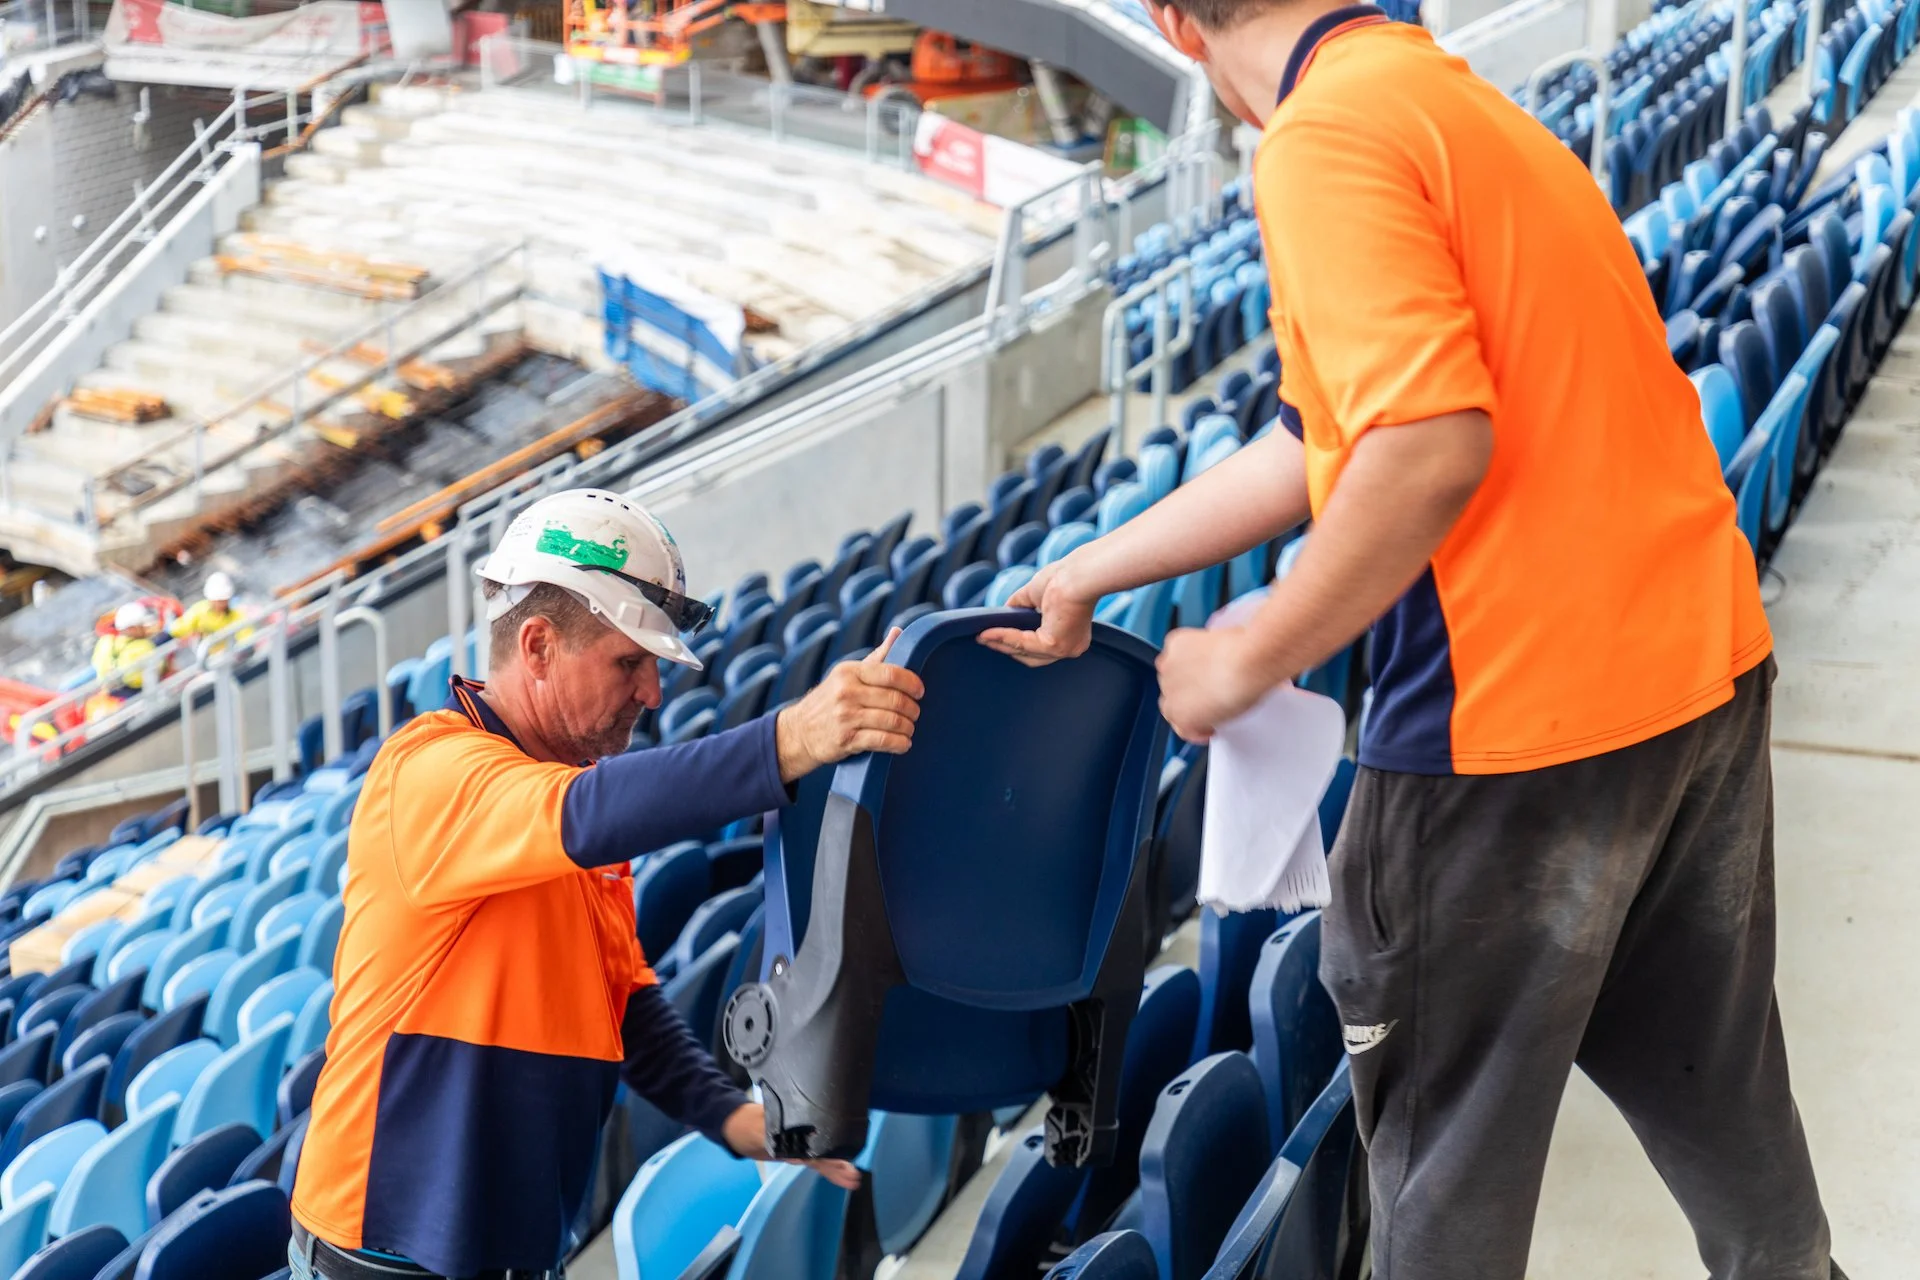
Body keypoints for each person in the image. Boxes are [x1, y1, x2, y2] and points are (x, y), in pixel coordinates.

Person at [981, 4, 1842, 1279]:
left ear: (1172, 22)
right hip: (1691, 676)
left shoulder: (1318, 137)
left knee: (1442, 1200)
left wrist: (1245, 655)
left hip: (1511, 742)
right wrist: (1089, 571)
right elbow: (1312, 438)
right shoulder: (1457, 108)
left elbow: (1430, 444)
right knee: (1732, 1124)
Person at [290, 488, 925, 1280]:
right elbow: (589, 815)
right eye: (630, 664)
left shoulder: (573, 792)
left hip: (505, 1250)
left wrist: (732, 1118)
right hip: (385, 1252)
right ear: (538, 646)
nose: (653, 695)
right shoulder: (430, 771)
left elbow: (618, 996)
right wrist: (791, 737)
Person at [91, 601, 162, 697]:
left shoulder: (105, 642)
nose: (146, 629)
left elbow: (96, 664)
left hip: (112, 695)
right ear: (132, 628)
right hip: (139, 694)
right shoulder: (142, 645)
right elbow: (158, 667)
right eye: (141, 626)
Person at [169, 570, 250, 650]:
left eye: (224, 600)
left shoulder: (236, 615)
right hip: (209, 659)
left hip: (230, 657)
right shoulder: (198, 611)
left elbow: (246, 637)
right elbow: (178, 629)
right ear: (210, 599)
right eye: (219, 600)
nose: (222, 604)